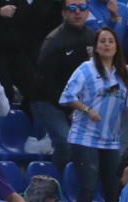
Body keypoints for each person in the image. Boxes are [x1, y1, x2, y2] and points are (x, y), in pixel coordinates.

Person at [60, 27, 128, 202]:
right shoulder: (86, 69)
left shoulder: (121, 73)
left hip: (110, 140)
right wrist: (86, 110)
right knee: (88, 186)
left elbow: (127, 98)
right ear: (96, 47)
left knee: (113, 187)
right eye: (103, 41)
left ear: (117, 46)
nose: (107, 45)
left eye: (111, 41)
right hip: (85, 137)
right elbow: (66, 97)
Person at [30, 2, 95, 173]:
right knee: (66, 144)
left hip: (77, 104)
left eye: (82, 9)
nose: (78, 13)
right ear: (64, 13)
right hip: (48, 100)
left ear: (88, 13)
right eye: (72, 9)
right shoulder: (55, 40)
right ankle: (56, 183)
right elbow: (46, 82)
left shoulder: (92, 38)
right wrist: (68, 108)